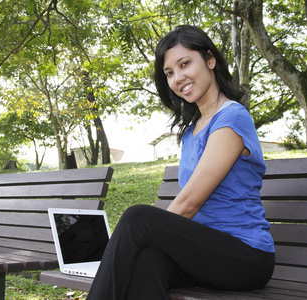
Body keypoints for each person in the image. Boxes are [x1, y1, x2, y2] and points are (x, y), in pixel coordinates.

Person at [86, 25, 275, 300]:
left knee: (137, 218)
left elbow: (189, 204)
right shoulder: (192, 131)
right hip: (205, 250)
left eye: (185, 63)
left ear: (210, 60)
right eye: (169, 73)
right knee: (146, 264)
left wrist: (141, 235)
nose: (178, 78)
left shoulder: (231, 118)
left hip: (245, 254)